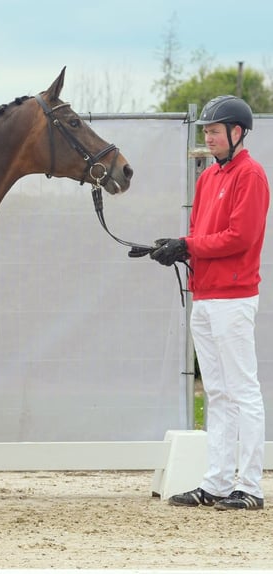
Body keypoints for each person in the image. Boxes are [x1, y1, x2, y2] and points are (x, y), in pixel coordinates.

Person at [151, 94, 269, 510]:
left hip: (234, 297)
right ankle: (216, 482)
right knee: (216, 392)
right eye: (207, 131)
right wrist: (177, 248)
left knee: (242, 391)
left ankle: (250, 485)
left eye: (215, 131)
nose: (210, 137)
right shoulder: (208, 179)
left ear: (237, 133)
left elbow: (241, 237)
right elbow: (200, 234)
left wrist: (189, 244)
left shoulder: (250, 176)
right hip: (205, 296)